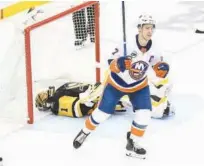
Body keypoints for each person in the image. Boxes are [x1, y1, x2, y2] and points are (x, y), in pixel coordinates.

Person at [72, 14, 170, 159]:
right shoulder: (126, 44)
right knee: (102, 114)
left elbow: (158, 67)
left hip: (139, 86)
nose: (150, 31)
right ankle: (85, 131)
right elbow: (110, 62)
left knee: (144, 114)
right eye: (147, 28)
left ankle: (133, 142)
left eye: (152, 28)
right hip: (116, 84)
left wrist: (162, 69)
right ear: (139, 29)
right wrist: (119, 64)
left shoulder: (155, 47)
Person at [35, 82, 127, 117]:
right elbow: (75, 109)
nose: (45, 94)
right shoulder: (55, 104)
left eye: (43, 93)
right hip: (87, 99)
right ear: (44, 104)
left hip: (89, 94)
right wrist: (88, 101)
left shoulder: (57, 94)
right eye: (42, 97)